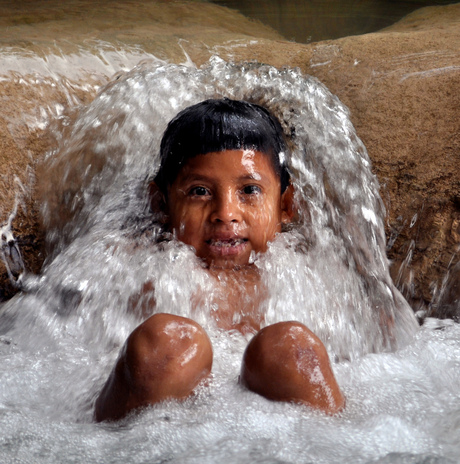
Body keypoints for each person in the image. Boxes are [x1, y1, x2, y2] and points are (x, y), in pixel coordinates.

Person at [94, 99, 345, 422]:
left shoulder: (306, 276)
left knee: (291, 349)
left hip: (278, 438)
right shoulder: (152, 271)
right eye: (199, 191)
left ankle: (328, 444)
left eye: (249, 190)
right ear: (161, 204)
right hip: (166, 431)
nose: (226, 214)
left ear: (285, 205)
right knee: (168, 341)